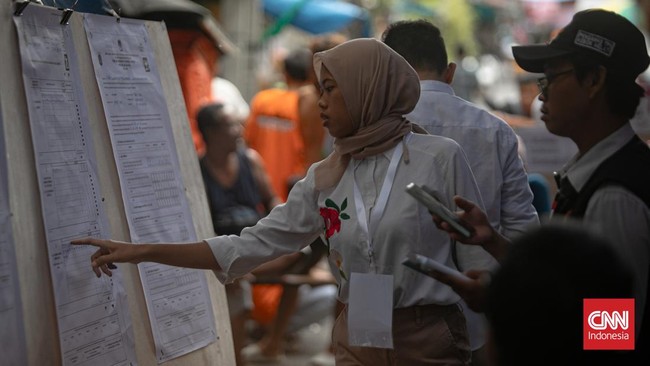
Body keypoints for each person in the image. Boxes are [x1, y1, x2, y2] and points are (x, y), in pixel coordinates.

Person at [72, 38, 487, 365]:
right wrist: (142, 251)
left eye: (330, 90)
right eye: (318, 89)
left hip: (429, 338)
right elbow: (248, 246)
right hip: (356, 333)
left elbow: (478, 259)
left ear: (368, 90)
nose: (319, 102)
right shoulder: (327, 176)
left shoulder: (439, 158)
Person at [435, 8, 650, 364]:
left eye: (550, 79)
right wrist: (492, 241)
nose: (540, 96)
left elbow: (613, 334)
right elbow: (568, 285)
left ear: (594, 80)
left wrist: (504, 304)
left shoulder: (614, 197)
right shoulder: (596, 175)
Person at [382, 20, 539, 365]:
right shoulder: (496, 130)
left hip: (392, 318)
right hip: (479, 315)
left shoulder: (375, 130)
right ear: (450, 72)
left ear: (387, 72)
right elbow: (525, 231)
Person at [244, 47, 313, 201]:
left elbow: (247, 141)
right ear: (311, 76)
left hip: (258, 191)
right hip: (292, 195)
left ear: (285, 74)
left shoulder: (262, 99)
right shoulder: (309, 107)